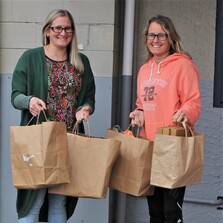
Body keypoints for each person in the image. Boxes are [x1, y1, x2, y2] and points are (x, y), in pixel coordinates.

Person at [11, 9, 96, 223]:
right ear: (47, 31)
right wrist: (29, 101)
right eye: (57, 27)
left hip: (69, 141)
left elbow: (89, 98)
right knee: (34, 200)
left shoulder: (81, 61)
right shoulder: (30, 58)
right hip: (40, 141)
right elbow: (16, 96)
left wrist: (85, 109)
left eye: (67, 28)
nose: (63, 32)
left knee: (60, 202)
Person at [129, 15, 201, 223]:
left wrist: (185, 112)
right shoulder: (144, 70)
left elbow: (193, 101)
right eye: (152, 35)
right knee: (155, 212)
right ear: (146, 38)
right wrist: (139, 112)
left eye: (162, 35)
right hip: (150, 145)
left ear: (170, 38)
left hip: (172, 147)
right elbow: (142, 103)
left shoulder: (183, 66)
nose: (156, 40)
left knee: (171, 212)